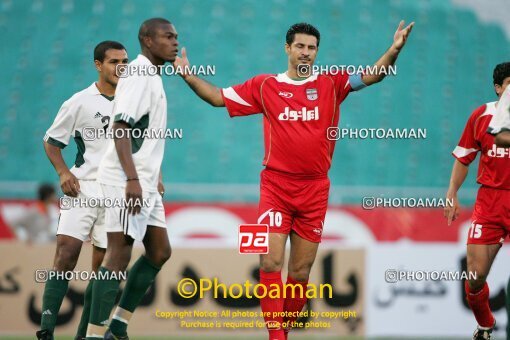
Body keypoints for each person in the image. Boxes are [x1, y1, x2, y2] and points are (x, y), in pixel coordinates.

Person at [175, 21, 413, 340]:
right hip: (275, 186)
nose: (305, 52)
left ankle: (282, 331)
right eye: (300, 46)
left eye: (311, 48)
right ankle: (277, 337)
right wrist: (187, 74)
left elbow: (374, 74)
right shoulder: (265, 86)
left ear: (317, 52)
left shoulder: (331, 83)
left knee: (300, 273)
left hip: (315, 190)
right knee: (271, 261)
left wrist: (393, 50)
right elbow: (218, 98)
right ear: (287, 49)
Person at [85, 18, 176, 339]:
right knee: (119, 252)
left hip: (145, 180)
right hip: (127, 181)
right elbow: (121, 128)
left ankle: (119, 325)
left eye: (176, 37)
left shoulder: (151, 75)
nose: (175, 42)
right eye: (168, 37)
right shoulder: (139, 75)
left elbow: (144, 132)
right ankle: (96, 335)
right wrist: (132, 179)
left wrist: (152, 176)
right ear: (148, 41)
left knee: (159, 251)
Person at [37, 41, 128, 340]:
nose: (121, 67)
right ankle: (46, 331)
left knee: (103, 271)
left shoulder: (133, 102)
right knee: (66, 253)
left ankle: (83, 335)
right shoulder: (79, 101)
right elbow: (52, 142)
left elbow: (143, 147)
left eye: (124, 61)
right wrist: (63, 172)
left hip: (116, 192)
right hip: (83, 189)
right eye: (114, 61)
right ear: (98, 65)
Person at [445, 62, 510, 340]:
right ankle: (485, 325)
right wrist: (452, 193)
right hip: (491, 202)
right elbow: (464, 157)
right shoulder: (481, 116)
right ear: (498, 88)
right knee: (474, 277)